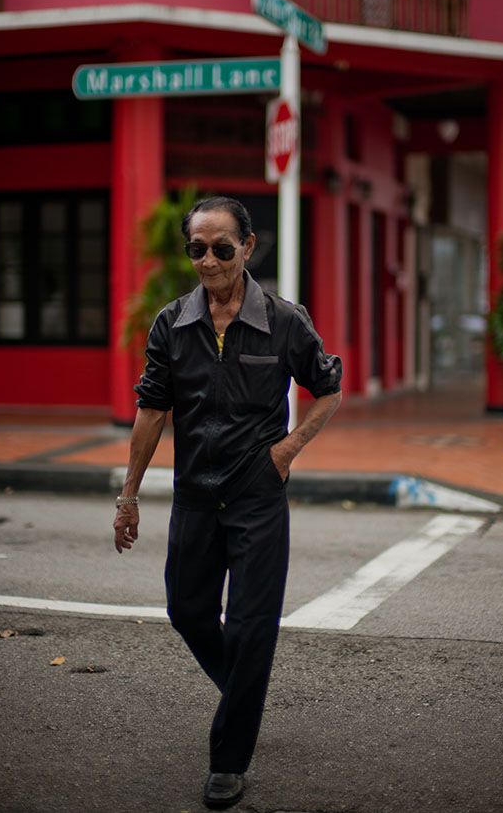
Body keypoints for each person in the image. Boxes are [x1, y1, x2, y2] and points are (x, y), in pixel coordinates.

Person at [113, 195, 342, 809]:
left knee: (250, 627)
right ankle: (243, 692)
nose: (208, 260)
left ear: (247, 247)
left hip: (257, 493)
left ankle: (229, 760)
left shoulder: (285, 321)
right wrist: (128, 495)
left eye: (221, 247)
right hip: (194, 493)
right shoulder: (172, 323)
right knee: (187, 610)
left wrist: (285, 453)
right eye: (197, 248)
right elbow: (152, 411)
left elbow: (327, 390)